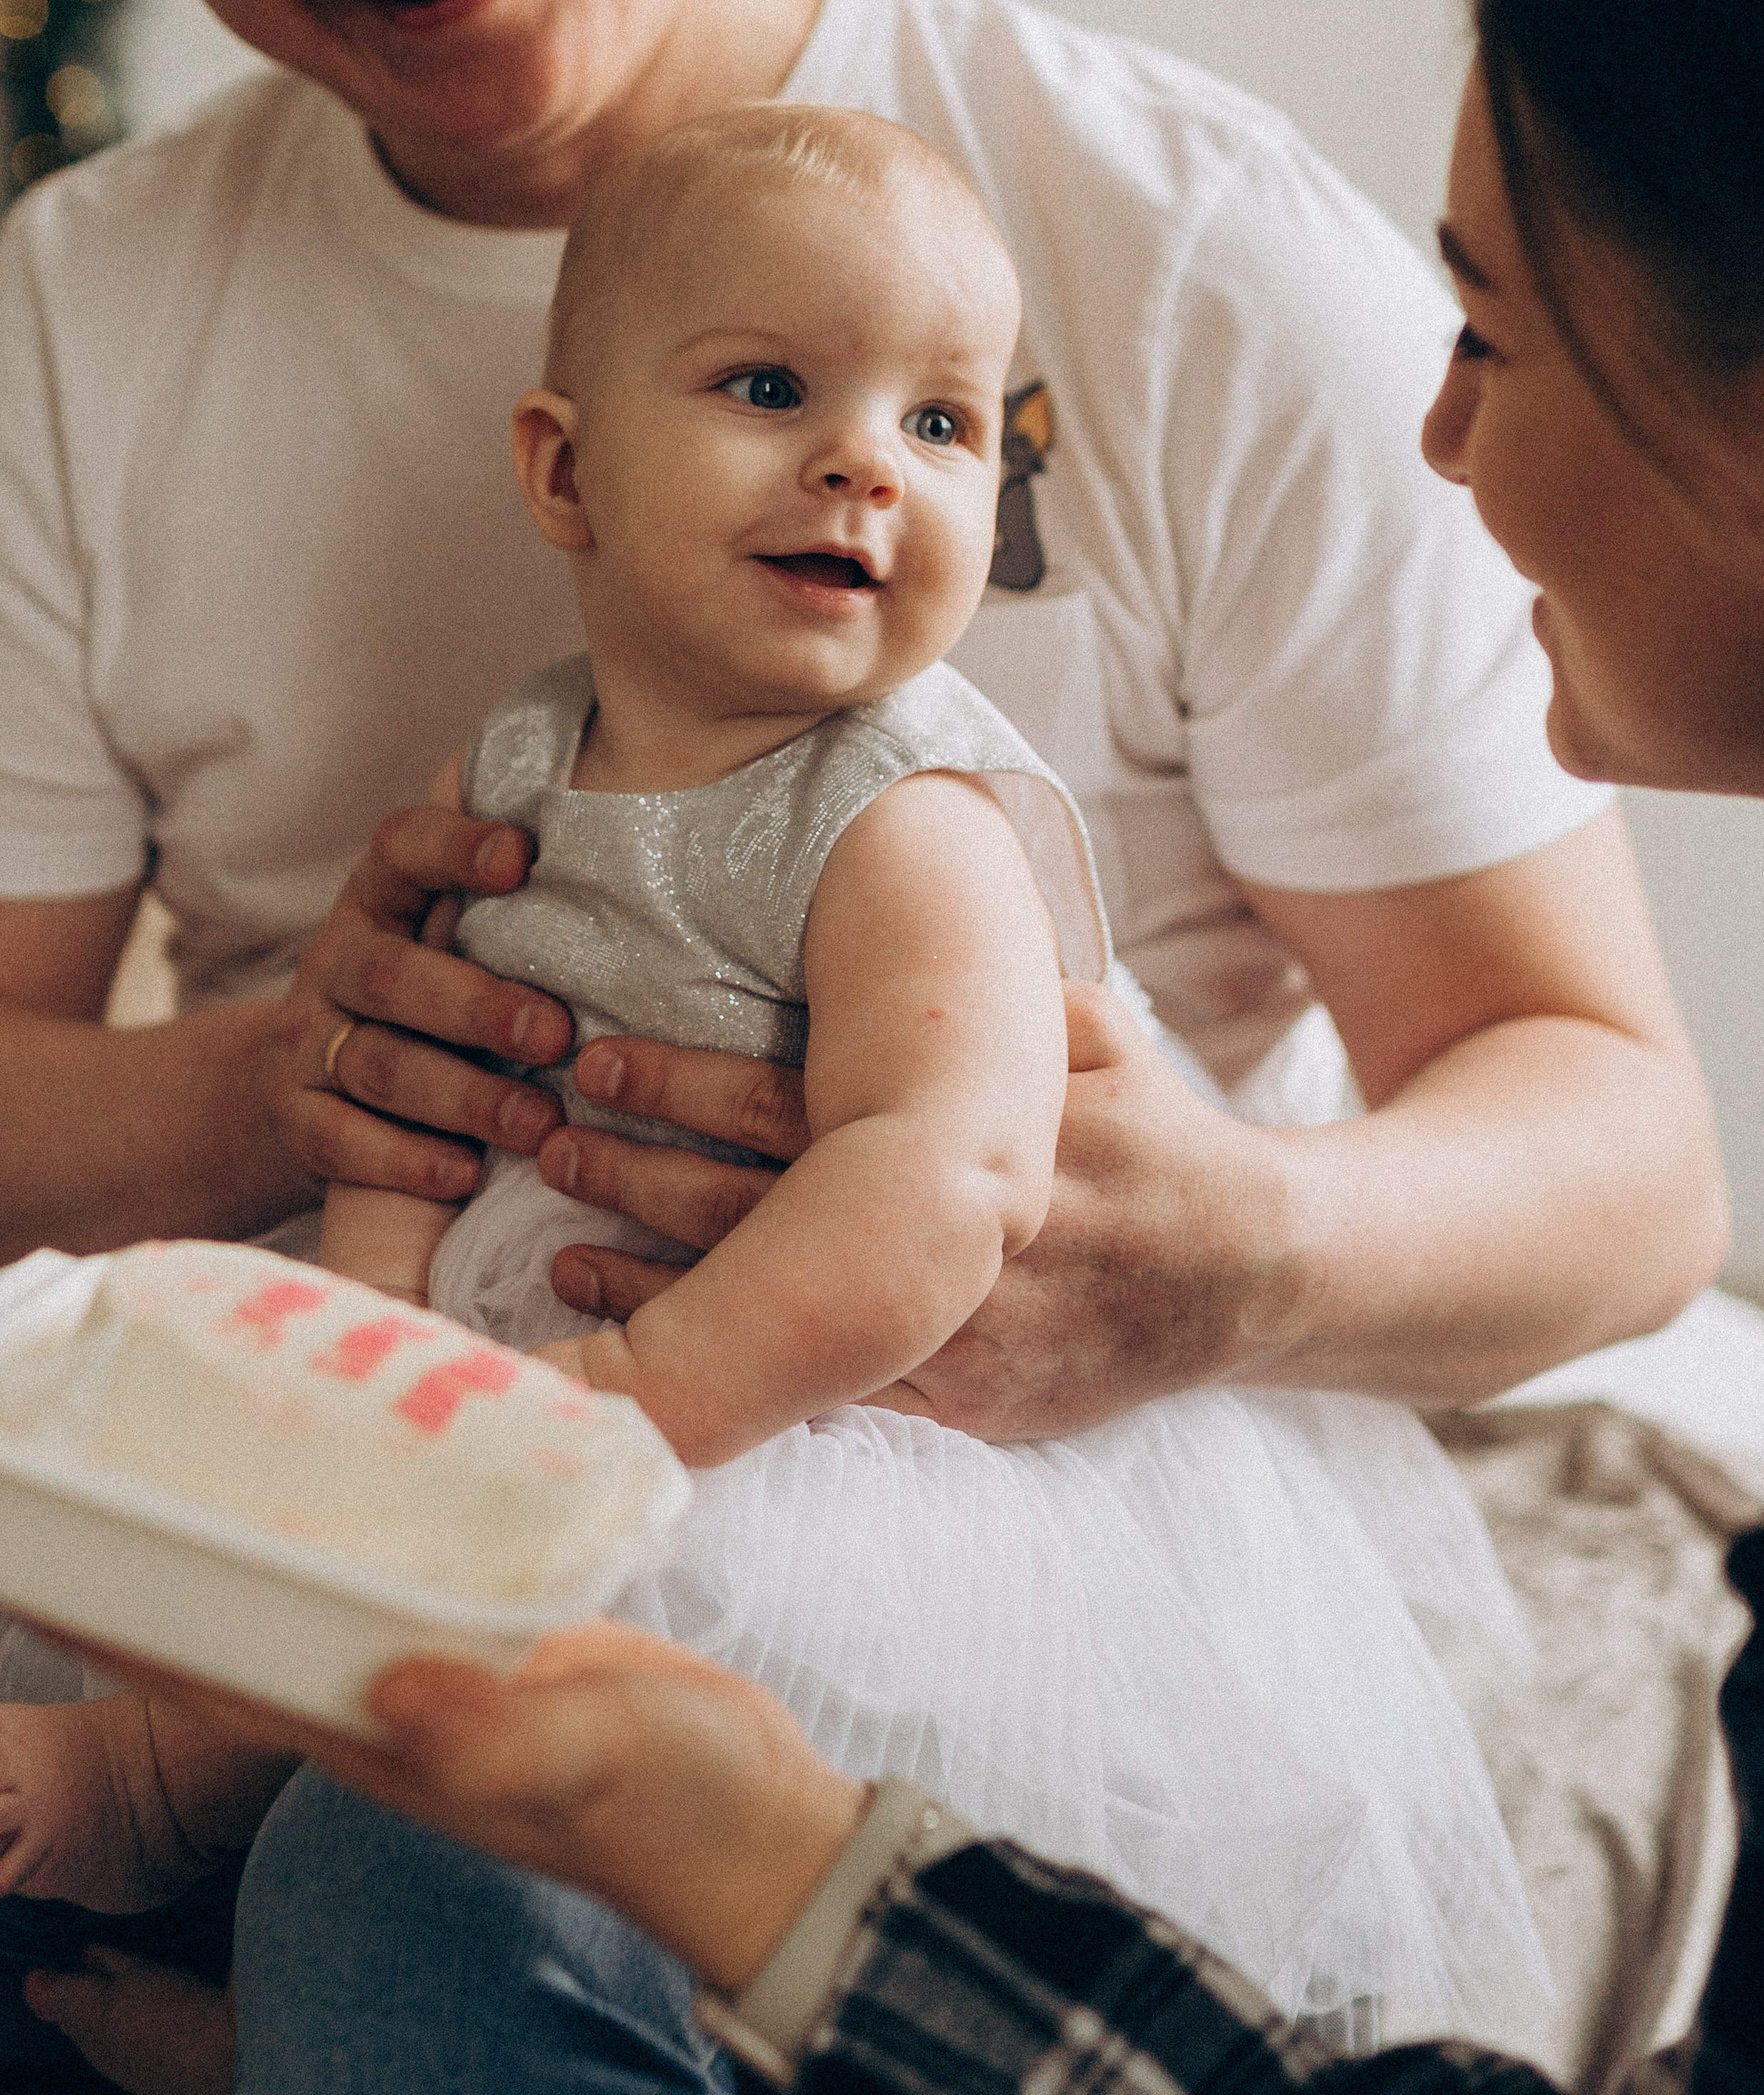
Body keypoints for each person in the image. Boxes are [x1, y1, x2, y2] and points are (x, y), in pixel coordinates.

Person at [0, 0, 1729, 2076]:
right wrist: (300, 1086)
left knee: (435, 1882)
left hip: (943, 1550)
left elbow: (1624, 1157)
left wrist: (1225, 1251)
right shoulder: (82, 315)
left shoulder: (1180, 252)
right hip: (366, 1420)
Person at [0, 107, 1549, 2077]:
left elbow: (945, 1177)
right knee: (296, 1567)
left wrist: (642, 1405)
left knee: (493, 1770)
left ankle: (246, 1895)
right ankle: (217, 1881)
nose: (863, 463)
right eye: (768, 390)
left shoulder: (909, 817)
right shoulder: (520, 754)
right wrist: (366, 1339)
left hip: (796, 1420)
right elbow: (418, 1089)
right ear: (564, 469)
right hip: (532, 1352)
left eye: (943, 423)